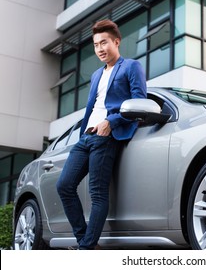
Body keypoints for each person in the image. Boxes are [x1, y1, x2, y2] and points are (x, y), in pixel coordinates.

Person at [56, 19, 147, 250]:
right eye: (96, 45)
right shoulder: (96, 75)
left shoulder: (131, 66)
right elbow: (93, 106)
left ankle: (86, 248)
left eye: (104, 43)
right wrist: (84, 130)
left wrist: (111, 121)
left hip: (107, 136)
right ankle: (85, 242)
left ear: (117, 42)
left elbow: (139, 103)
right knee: (64, 185)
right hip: (86, 136)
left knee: (97, 193)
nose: (99, 49)